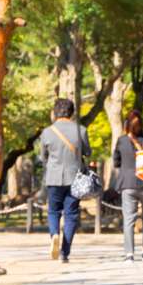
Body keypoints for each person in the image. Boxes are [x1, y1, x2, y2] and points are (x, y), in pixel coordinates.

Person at [40, 98, 91, 263]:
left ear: (55, 112)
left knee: (54, 211)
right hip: (74, 177)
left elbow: (43, 157)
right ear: (72, 112)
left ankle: (54, 233)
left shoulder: (47, 132)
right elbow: (88, 152)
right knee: (71, 215)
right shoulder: (81, 130)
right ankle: (64, 253)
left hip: (53, 177)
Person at [113, 110, 143, 262]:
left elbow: (116, 162)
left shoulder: (121, 140)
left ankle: (129, 254)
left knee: (129, 219)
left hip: (128, 184)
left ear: (127, 124)